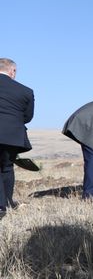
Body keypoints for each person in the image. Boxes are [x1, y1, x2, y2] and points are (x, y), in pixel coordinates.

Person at [0, 58, 34, 219]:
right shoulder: (26, 91)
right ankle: (6, 202)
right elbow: (27, 117)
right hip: (12, 135)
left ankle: (1, 207)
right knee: (7, 167)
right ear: (12, 71)